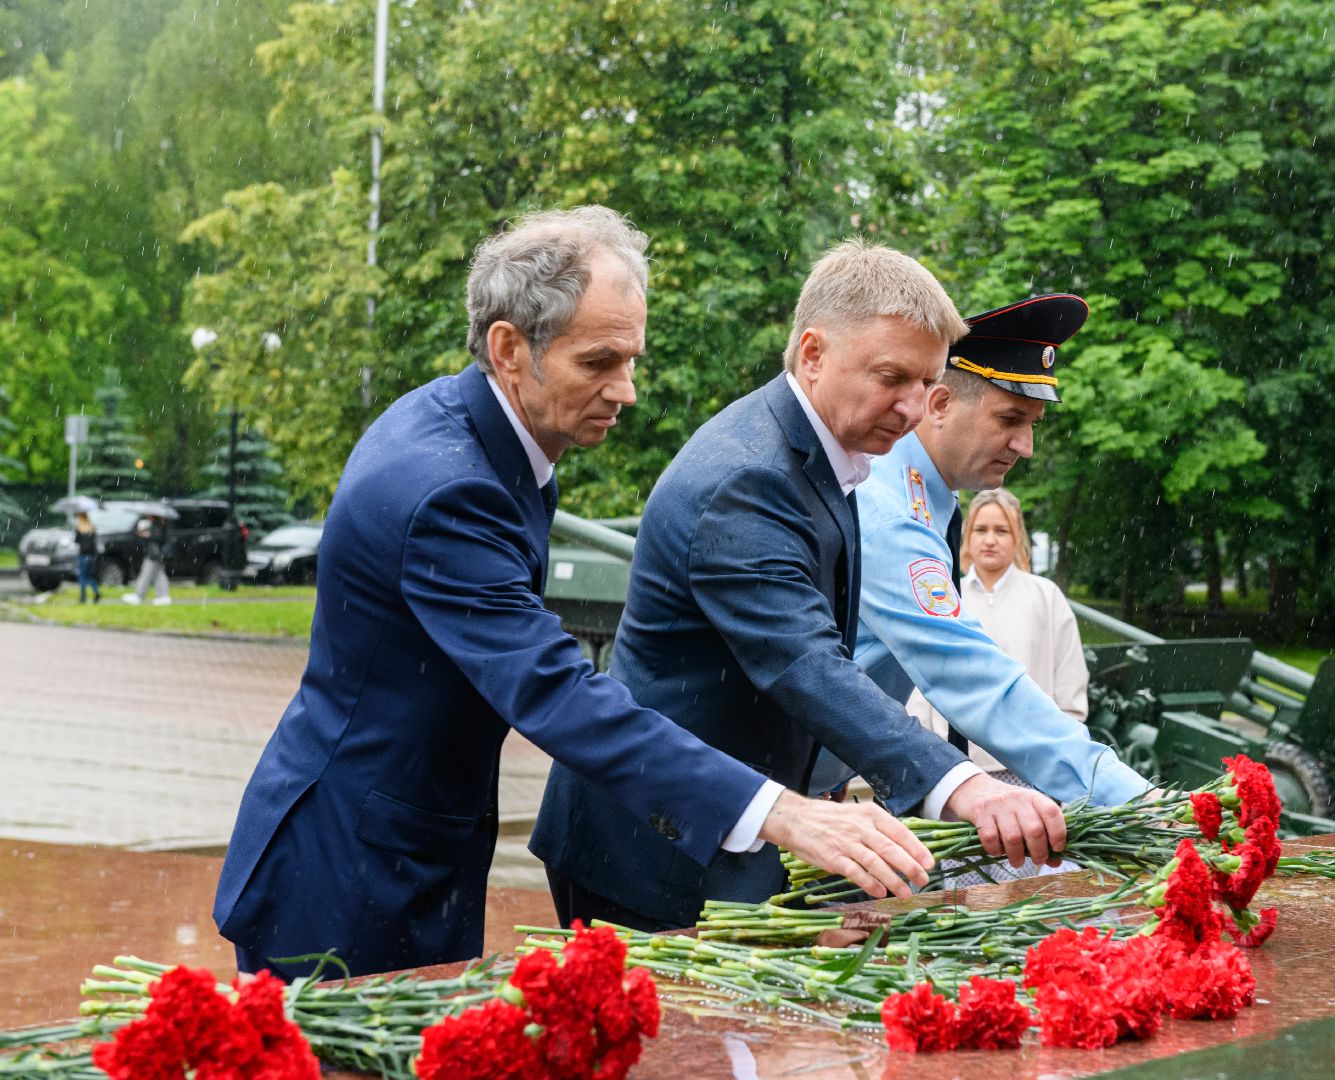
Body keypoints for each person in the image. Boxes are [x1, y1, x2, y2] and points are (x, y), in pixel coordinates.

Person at [214, 208, 933, 981]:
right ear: (509, 348)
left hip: (397, 843)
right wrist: (779, 812)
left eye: (631, 359)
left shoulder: (476, 429)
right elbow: (554, 693)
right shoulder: (449, 490)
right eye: (598, 362)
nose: (625, 391)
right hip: (345, 872)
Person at [534, 240, 1070, 932]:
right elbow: (802, 661)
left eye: (925, 383)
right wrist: (960, 786)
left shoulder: (824, 450)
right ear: (813, 354)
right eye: (891, 377)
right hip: (654, 845)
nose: (912, 408)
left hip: (727, 831)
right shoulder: (747, 478)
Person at [836, 294, 1150, 805]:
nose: (1026, 445)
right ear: (939, 405)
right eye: (1009, 419)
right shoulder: (894, 511)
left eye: (1032, 425)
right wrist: (1134, 801)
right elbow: (972, 682)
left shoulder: (926, 496)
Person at [908, 488, 1094, 776]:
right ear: (968, 535)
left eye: (1001, 530)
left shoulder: (1046, 596)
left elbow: (1070, 678)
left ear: (1017, 536)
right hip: (956, 766)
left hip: (1033, 765)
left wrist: (1060, 754)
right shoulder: (945, 596)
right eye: (981, 529)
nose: (990, 540)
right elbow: (923, 678)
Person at [122, 517, 171, 606]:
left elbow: (158, 538)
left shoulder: (159, 525)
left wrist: (148, 535)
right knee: (159, 575)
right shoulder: (160, 525)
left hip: (154, 554)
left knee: (146, 574)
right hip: (157, 554)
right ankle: (163, 596)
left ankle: (139, 595)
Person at [74, 511, 101, 604]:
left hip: (83, 555)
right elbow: (94, 541)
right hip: (92, 555)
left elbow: (76, 541)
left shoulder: (79, 528)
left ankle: (83, 597)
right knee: (89, 576)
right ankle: (96, 590)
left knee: (82, 576)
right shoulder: (92, 527)